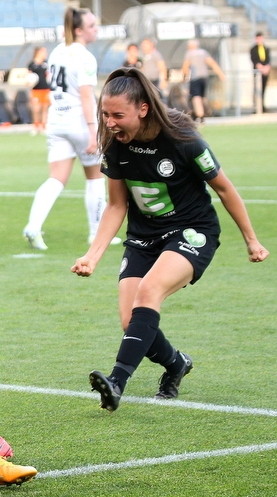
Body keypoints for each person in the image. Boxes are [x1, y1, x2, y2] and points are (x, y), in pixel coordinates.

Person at [71, 68, 269, 411]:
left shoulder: (184, 141)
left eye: (118, 115)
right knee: (130, 320)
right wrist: (93, 255)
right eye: (105, 114)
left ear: (143, 109)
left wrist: (251, 240)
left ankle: (116, 382)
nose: (110, 121)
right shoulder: (115, 146)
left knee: (149, 292)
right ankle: (176, 364)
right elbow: (117, 205)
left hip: (192, 232)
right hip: (143, 237)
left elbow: (225, 189)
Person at [22, 8, 118, 250]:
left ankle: (33, 226)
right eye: (92, 25)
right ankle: (96, 233)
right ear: (79, 30)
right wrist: (94, 130)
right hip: (79, 121)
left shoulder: (56, 51)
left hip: (57, 121)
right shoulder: (85, 57)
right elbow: (86, 96)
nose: (96, 29)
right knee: (95, 178)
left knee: (56, 179)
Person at [180, 39, 226, 123]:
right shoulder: (203, 52)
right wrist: (221, 74)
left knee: (196, 97)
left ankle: (200, 115)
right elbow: (212, 63)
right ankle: (208, 111)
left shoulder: (189, 54)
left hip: (195, 78)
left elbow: (185, 66)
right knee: (202, 97)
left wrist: (183, 77)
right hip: (204, 77)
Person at [28, 46, 50, 135]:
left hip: (46, 89)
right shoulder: (32, 64)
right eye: (43, 52)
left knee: (45, 108)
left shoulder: (46, 64)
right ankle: (36, 126)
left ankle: (44, 126)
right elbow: (28, 77)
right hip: (36, 90)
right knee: (36, 109)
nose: (45, 54)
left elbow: (49, 75)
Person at [250, 33, 271, 112]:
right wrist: (260, 67)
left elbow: (268, 60)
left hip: (265, 72)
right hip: (257, 72)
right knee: (256, 90)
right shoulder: (253, 49)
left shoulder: (266, 48)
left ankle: (262, 106)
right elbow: (254, 60)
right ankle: (256, 107)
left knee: (263, 90)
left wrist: (266, 68)